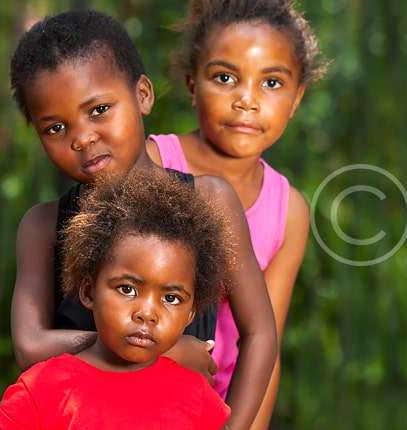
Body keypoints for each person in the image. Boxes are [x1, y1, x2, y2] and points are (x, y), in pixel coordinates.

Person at [8, 9, 276, 428]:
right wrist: (163, 349)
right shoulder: (43, 226)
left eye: (99, 109)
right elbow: (29, 346)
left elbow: (260, 333)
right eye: (56, 128)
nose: (82, 138)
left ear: (143, 95)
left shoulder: (210, 200)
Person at [148, 0, 327, 425]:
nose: (247, 100)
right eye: (225, 78)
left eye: (271, 83)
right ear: (192, 85)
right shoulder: (153, 164)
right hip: (136, 398)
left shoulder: (288, 210)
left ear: (297, 98)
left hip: (222, 411)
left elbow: (265, 344)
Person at [0, 169, 233, 429]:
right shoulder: (43, 388)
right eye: (127, 289)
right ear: (88, 291)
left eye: (171, 298)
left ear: (191, 313)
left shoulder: (199, 399)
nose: (147, 313)